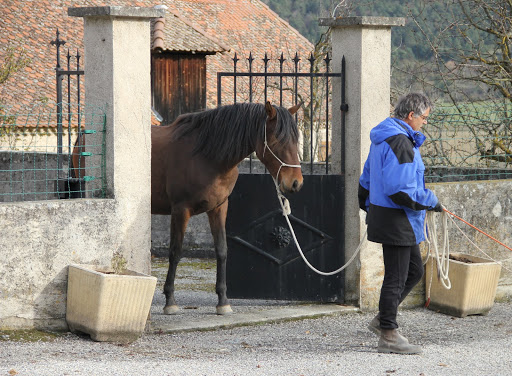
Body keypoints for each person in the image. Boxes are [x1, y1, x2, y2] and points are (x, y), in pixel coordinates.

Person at [358, 92, 443, 355]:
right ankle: (388, 335)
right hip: (398, 219)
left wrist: (369, 206)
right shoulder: (401, 143)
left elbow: (366, 180)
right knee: (396, 277)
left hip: (389, 217)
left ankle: (384, 318)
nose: (425, 123)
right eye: (424, 118)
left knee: (415, 271)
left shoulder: (384, 138)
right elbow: (401, 191)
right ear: (411, 116)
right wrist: (431, 200)